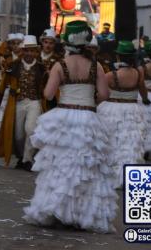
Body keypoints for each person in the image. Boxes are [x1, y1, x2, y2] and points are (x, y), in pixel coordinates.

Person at [23, 20, 117, 233]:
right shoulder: (96, 66)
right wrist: (89, 100)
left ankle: (57, 210)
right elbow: (104, 95)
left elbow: (47, 94)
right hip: (88, 117)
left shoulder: (59, 65)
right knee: (85, 169)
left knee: (60, 168)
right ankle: (81, 214)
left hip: (63, 117)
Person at [97, 40, 149, 188]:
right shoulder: (138, 74)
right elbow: (143, 92)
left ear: (118, 57)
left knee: (111, 141)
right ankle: (128, 176)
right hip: (132, 110)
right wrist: (145, 100)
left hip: (112, 108)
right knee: (129, 144)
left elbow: (102, 93)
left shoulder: (110, 75)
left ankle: (108, 175)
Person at [0, 35, 46, 171]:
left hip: (35, 102)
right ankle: (21, 156)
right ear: (22, 51)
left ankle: (27, 159)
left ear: (36, 52)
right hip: (18, 102)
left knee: (30, 129)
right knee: (18, 135)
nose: (29, 53)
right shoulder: (12, 66)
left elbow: (48, 88)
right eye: (26, 50)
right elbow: (3, 84)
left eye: (32, 50)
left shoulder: (42, 68)